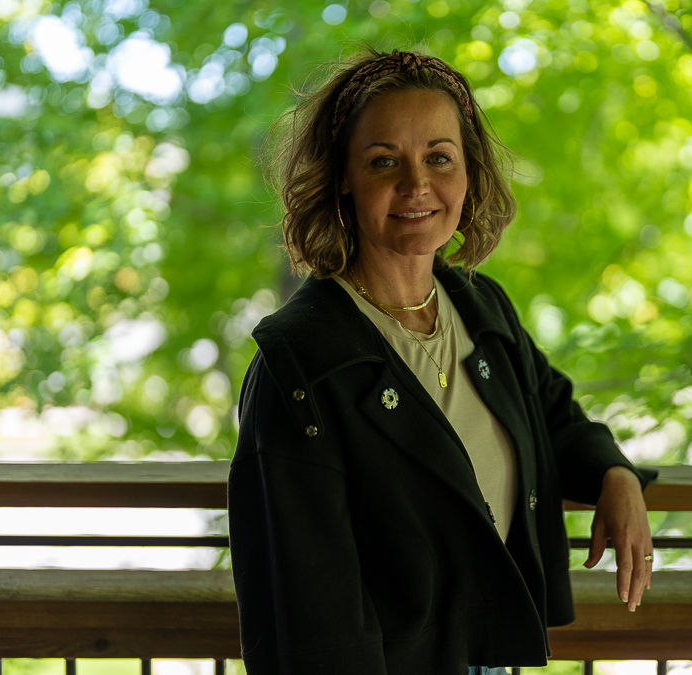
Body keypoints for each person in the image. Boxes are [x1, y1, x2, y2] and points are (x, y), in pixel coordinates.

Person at [227, 47, 658, 675]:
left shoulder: (479, 306)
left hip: (490, 658)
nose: (416, 185)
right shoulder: (300, 367)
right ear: (343, 176)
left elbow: (557, 420)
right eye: (384, 161)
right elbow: (309, 611)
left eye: (439, 157)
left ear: (468, 173)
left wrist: (615, 476)